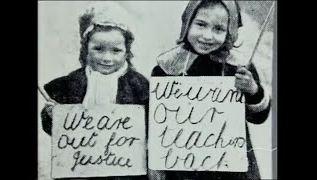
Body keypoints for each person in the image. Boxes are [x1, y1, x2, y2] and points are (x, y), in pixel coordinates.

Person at [150, 0, 271, 179]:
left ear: (230, 31)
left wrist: (253, 90)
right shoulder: (167, 67)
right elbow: (156, 121)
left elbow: (259, 116)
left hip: (230, 164)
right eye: (201, 25)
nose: (207, 36)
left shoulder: (238, 67)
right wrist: (155, 161)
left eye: (218, 29)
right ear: (187, 23)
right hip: (183, 164)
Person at [40, 3, 149, 180]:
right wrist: (53, 116)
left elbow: (151, 126)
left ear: (127, 52)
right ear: (85, 49)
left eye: (116, 51)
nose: (107, 58)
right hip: (81, 167)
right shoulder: (70, 84)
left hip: (124, 169)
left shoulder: (139, 85)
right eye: (98, 49)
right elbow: (57, 132)